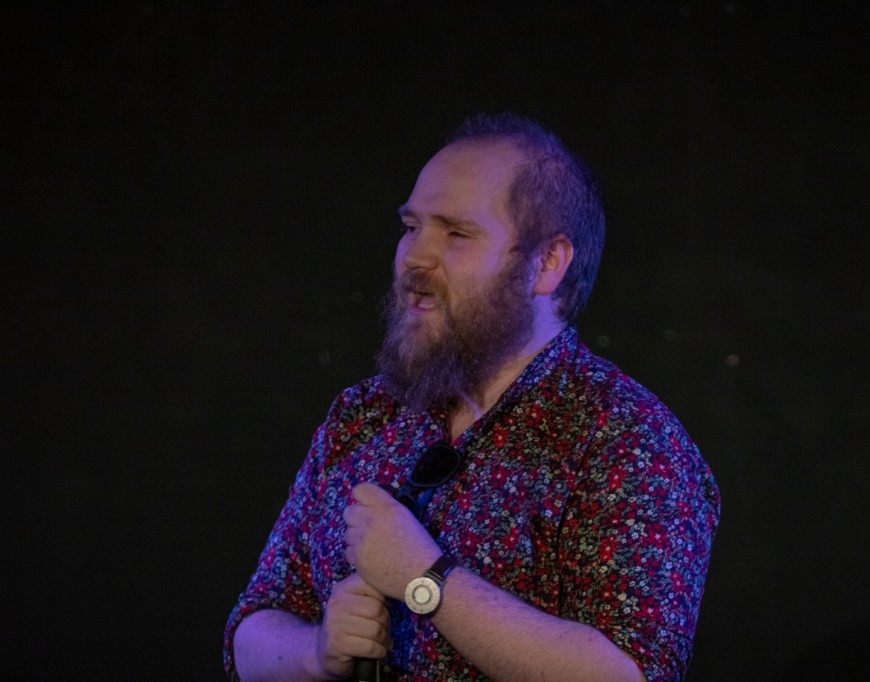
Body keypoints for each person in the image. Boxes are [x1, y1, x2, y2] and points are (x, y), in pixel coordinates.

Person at [224, 112, 720, 681]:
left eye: (456, 234)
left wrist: (426, 578)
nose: (415, 257)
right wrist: (316, 652)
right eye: (411, 227)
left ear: (546, 263)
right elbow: (250, 631)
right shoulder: (364, 416)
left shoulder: (626, 439)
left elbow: (631, 675)